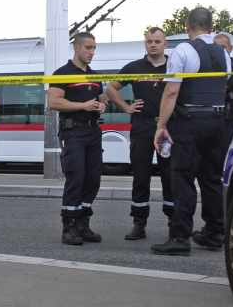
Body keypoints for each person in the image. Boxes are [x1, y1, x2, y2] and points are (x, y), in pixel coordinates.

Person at [152, 7, 231, 256]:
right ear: (211, 27)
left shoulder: (183, 51)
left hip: (189, 123)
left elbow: (172, 91)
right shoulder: (224, 54)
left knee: (183, 178)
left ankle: (180, 236)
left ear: (188, 26)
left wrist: (161, 125)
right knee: (212, 178)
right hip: (217, 122)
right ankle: (215, 232)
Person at [105, 27, 173, 241]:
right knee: (140, 176)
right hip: (142, 128)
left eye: (157, 41)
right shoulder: (134, 67)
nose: (153, 44)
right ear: (145, 44)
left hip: (167, 129)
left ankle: (174, 224)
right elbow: (110, 88)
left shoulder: (175, 66)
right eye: (149, 41)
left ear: (165, 44)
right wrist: (126, 107)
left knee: (171, 177)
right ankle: (139, 223)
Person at [48, 32, 106, 246]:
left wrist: (102, 105)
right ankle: (69, 227)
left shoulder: (94, 76)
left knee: (93, 179)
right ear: (76, 48)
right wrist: (83, 106)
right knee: (76, 177)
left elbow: (102, 98)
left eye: (94, 48)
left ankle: (83, 222)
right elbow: (53, 103)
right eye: (88, 48)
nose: (91, 52)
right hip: (73, 133)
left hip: (93, 132)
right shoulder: (61, 74)